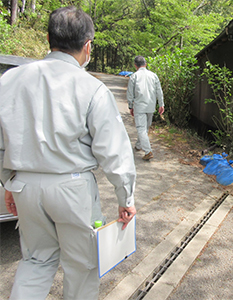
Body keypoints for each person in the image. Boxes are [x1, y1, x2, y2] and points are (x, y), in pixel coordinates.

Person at [0, 6, 136, 300]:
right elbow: (115, 152)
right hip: (72, 190)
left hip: (24, 186)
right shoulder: (92, 88)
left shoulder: (8, 80)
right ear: (88, 47)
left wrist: (9, 182)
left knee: (35, 262)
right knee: (81, 268)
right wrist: (126, 198)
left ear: (48, 38)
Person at [127, 56, 164, 160]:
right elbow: (159, 91)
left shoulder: (134, 76)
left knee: (141, 129)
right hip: (151, 106)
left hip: (140, 106)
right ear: (146, 64)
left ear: (135, 66)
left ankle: (148, 151)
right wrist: (161, 104)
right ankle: (139, 145)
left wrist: (130, 106)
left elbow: (130, 93)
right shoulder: (154, 75)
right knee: (145, 128)